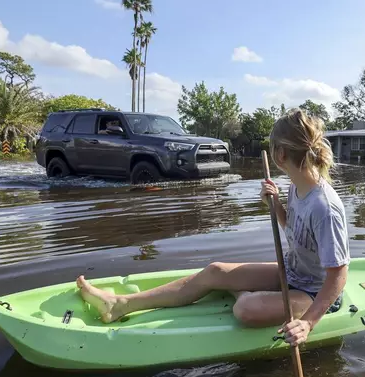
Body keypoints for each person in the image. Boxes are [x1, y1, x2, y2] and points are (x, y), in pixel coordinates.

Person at [76, 108, 350, 347]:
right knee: (215, 270)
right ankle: (121, 304)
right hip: (290, 273)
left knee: (245, 308)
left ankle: (251, 296)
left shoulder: (325, 207)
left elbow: (338, 274)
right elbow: (294, 229)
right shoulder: (295, 187)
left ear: (279, 154)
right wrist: (276, 204)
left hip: (313, 291)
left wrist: (309, 323)